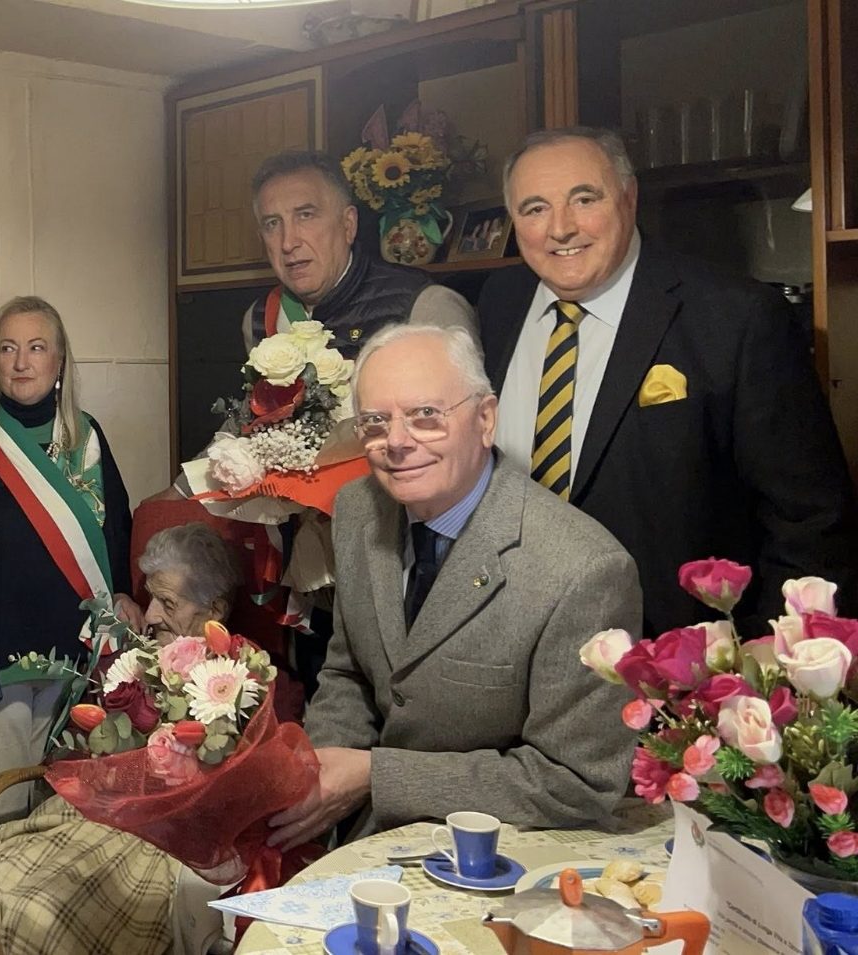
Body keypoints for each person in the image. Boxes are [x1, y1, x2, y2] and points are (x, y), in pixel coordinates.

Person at [268, 323, 639, 846]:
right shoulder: (357, 510)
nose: (398, 442)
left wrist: (376, 776)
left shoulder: (584, 570)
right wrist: (319, 778)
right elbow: (349, 671)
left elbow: (576, 784)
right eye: (375, 422)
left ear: (485, 419)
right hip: (361, 842)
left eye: (426, 416)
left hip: (500, 853)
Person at [478, 126, 856, 635]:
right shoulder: (498, 303)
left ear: (629, 198)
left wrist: (768, 658)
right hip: (515, 637)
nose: (560, 228)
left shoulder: (736, 317)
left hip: (673, 652)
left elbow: (810, 523)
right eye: (534, 208)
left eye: (584, 199)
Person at [0, 523, 242, 955]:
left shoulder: (241, 678)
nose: (151, 615)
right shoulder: (131, 664)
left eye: (168, 602)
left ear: (215, 609)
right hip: (79, 813)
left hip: (151, 834)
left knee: (27, 913)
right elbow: (77, 752)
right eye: (151, 598)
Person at [0, 296, 140, 829]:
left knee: (70, 825)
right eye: (7, 348)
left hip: (79, 663)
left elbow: (117, 527)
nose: (20, 362)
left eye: (36, 348)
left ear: (59, 360)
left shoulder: (88, 437)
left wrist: (125, 593)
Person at [243, 149, 475, 356]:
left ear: (348, 225)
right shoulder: (259, 319)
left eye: (306, 215)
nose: (287, 243)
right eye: (272, 223)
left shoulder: (425, 308)